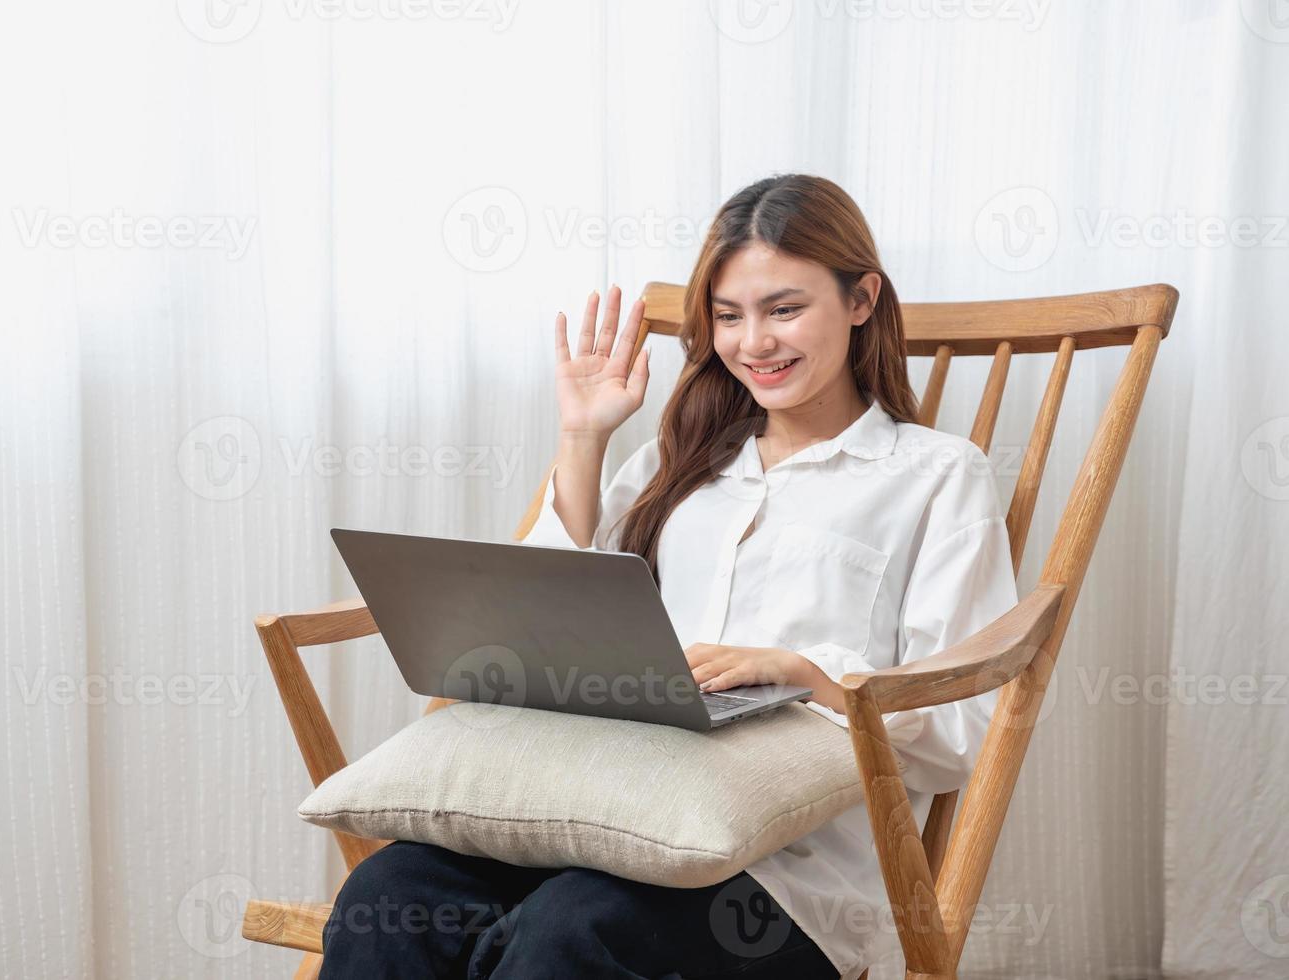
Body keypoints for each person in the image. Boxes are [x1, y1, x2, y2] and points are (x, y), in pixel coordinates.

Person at [318, 173, 1019, 979]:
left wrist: (802, 673)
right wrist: (583, 440)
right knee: (391, 892)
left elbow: (957, 731)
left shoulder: (934, 475)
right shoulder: (681, 464)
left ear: (861, 300)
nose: (754, 342)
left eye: (784, 308)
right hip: (596, 815)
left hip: (788, 877)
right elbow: (551, 633)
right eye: (728, 316)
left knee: (569, 931)